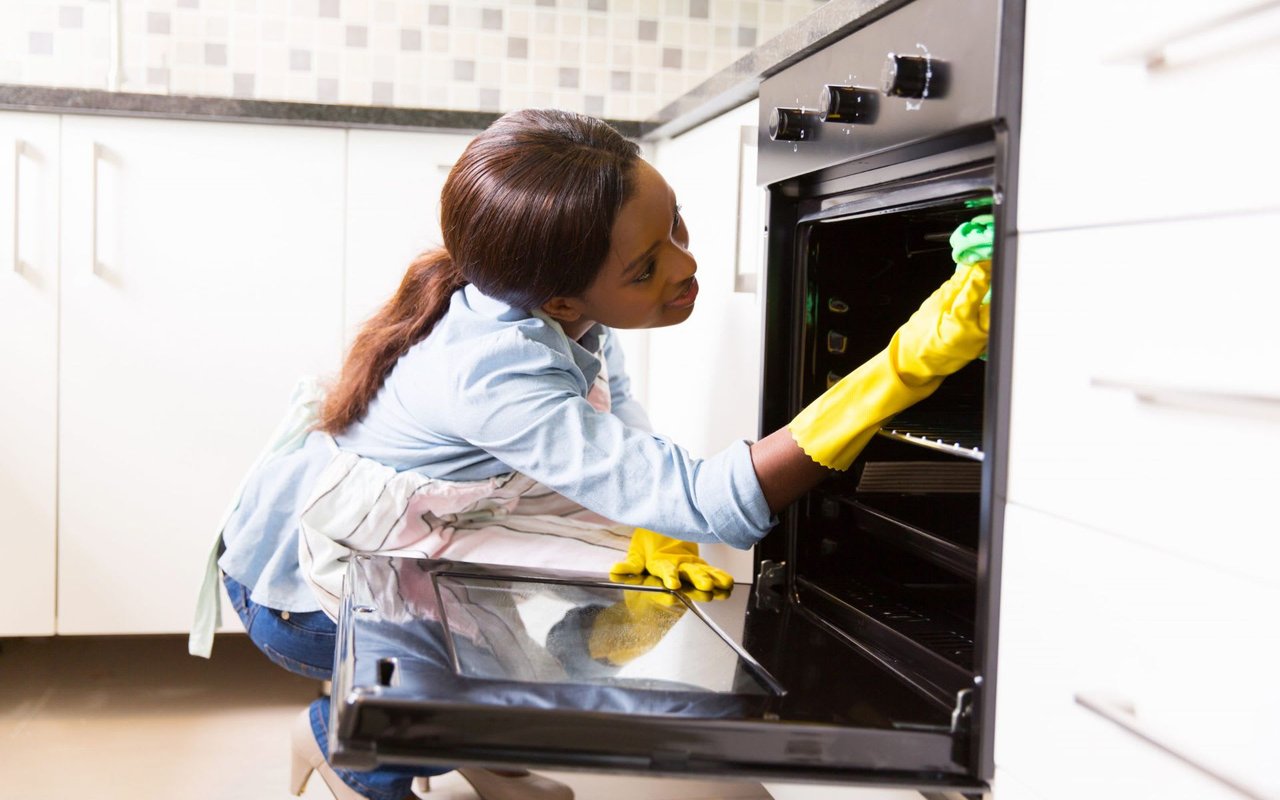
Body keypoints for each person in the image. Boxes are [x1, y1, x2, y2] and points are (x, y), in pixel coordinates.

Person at [190, 108, 992, 800]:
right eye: (647, 269)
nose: (686, 266)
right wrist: (904, 366)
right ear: (561, 297)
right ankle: (339, 746)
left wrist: (648, 511)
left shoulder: (554, 302)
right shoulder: (492, 369)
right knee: (428, 664)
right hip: (304, 594)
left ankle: (475, 747)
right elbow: (711, 500)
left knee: (546, 606)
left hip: (418, 533)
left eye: (676, 223)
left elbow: (619, 420)